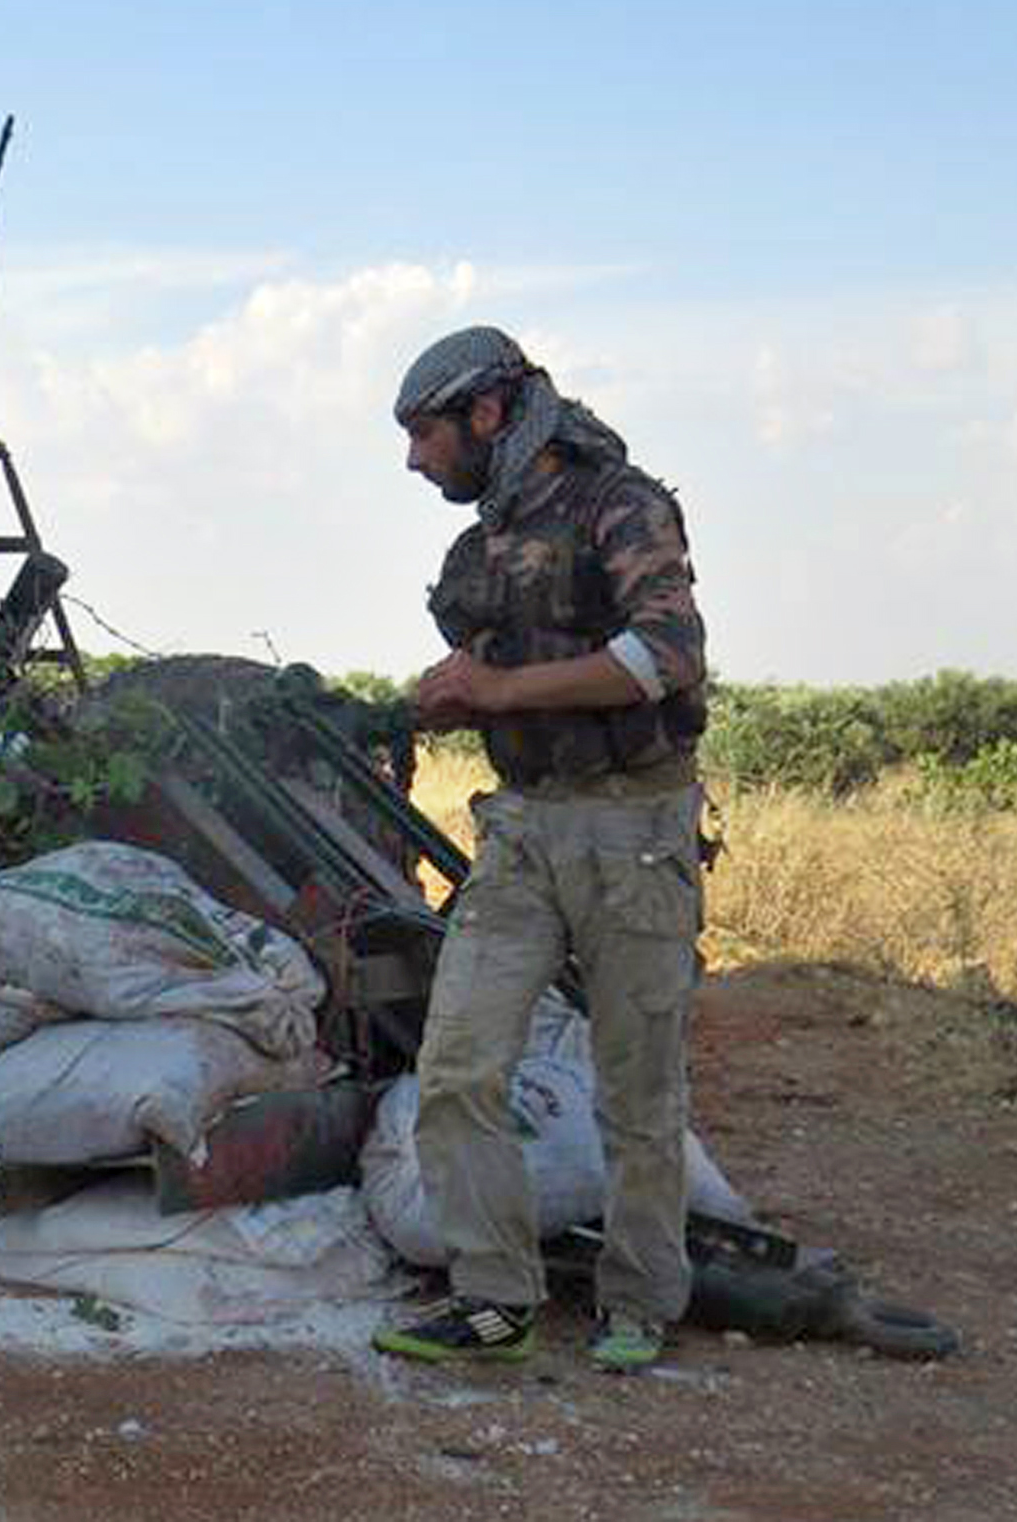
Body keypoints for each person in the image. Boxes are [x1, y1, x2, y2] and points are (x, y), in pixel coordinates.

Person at [370, 325, 710, 1374]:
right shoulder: (487, 542)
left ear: (487, 412)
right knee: (459, 1064)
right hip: (521, 828)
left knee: (636, 1084)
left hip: (634, 832)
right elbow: (492, 658)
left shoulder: (621, 504)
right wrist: (440, 696)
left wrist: (500, 692)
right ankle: (492, 1298)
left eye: (426, 433)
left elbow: (666, 651)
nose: (416, 459)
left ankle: (640, 1298)